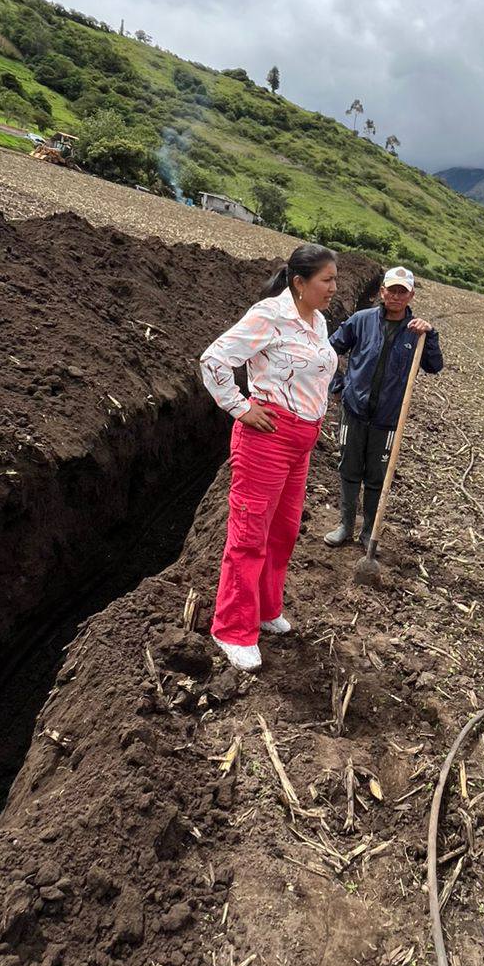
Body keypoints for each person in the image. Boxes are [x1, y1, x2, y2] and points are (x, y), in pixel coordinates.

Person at [199, 244, 340, 672]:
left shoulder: (317, 320)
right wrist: (240, 406)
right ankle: (232, 630)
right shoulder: (269, 315)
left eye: (335, 279)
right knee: (249, 534)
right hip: (267, 440)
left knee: (283, 531)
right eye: (327, 280)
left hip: (301, 443)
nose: (334, 288)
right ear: (299, 282)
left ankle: (264, 609)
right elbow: (214, 360)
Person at [324, 265, 442, 548]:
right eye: (392, 290)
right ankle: (345, 526)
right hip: (354, 411)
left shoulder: (417, 333)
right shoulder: (361, 321)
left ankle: (368, 532)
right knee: (349, 468)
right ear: (382, 291)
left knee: (377, 476)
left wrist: (431, 335)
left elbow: (434, 366)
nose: (396, 296)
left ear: (411, 295)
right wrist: (338, 387)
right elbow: (327, 352)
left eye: (402, 291)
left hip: (388, 419)